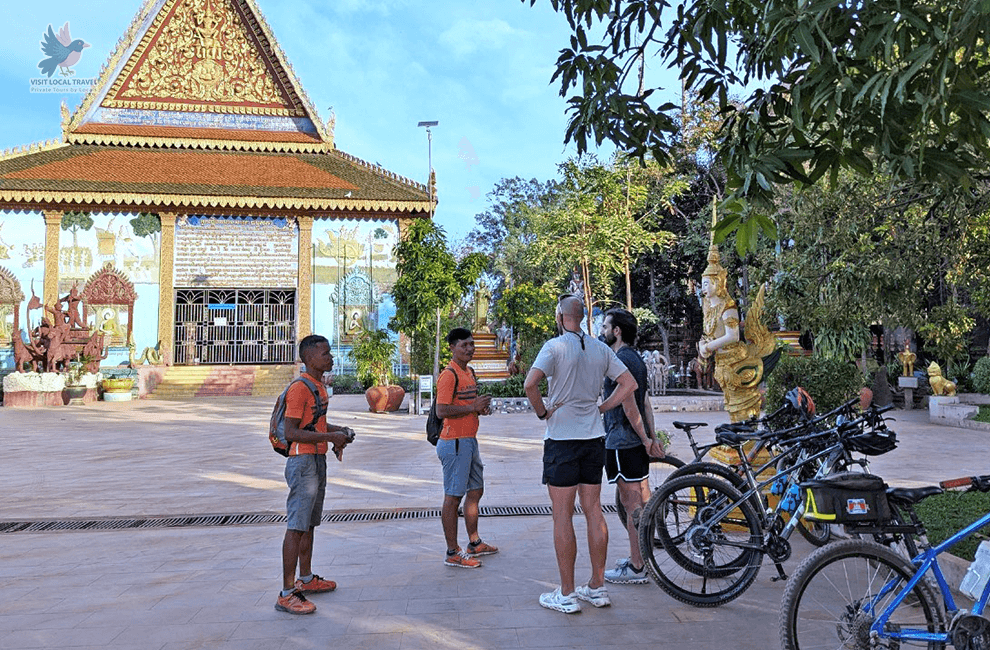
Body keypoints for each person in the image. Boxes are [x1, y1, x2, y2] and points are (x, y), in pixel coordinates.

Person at [524, 295, 639, 614]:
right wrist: (601, 407)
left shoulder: (555, 346)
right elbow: (628, 383)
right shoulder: (600, 348)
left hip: (562, 439)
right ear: (583, 316)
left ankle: (566, 593)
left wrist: (542, 413)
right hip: (593, 439)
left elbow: (530, 384)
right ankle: (598, 587)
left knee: (562, 515)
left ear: (561, 316)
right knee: (593, 510)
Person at [276, 334, 355, 615]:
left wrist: (337, 433)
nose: (331, 358)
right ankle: (287, 593)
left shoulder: (318, 387)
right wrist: (332, 435)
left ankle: (306, 579)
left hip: (317, 459)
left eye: (330, 353)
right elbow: (291, 432)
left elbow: (314, 424)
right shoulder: (300, 388)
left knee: (309, 523)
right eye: (325, 353)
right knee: (297, 525)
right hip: (302, 462)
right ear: (309, 358)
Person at [599, 309, 664, 585]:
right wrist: (649, 436)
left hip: (621, 440)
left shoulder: (617, 359)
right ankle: (641, 558)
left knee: (631, 504)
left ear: (617, 331)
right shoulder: (636, 359)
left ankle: (638, 566)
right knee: (640, 499)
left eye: (604, 326)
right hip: (634, 442)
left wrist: (645, 437)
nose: (601, 331)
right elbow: (645, 402)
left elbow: (628, 404)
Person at [436, 327, 498, 568]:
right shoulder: (449, 375)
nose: (470, 349)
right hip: (454, 443)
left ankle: (474, 542)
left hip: (469, 441)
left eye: (472, 344)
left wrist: (479, 408)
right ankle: (452, 551)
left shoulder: (469, 372)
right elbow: (442, 411)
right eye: (465, 345)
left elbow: (465, 404)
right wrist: (472, 407)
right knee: (453, 497)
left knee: (475, 490)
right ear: (452, 348)